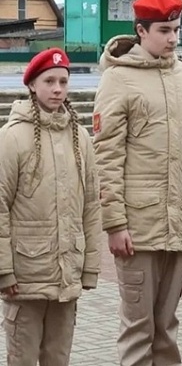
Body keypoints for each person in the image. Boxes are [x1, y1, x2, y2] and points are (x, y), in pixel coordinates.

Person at [92, 0, 182, 365]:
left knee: (166, 328)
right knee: (139, 330)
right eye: (164, 30)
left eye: (177, 29)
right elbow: (107, 156)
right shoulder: (117, 79)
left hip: (180, 220)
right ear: (141, 31)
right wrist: (115, 223)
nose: (173, 38)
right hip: (138, 228)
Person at [0, 48, 102, 366]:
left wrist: (90, 266)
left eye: (63, 81)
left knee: (58, 358)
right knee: (23, 358)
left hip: (66, 275)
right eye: (49, 81)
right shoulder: (11, 138)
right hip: (25, 275)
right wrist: (3, 270)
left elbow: (91, 204)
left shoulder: (79, 138)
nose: (57, 89)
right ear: (32, 85)